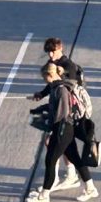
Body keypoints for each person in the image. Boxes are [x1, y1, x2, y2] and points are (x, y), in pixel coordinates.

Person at [25, 62, 97, 202]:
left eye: (44, 78)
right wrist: (38, 110)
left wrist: (53, 130)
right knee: (75, 159)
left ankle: (44, 196)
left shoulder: (61, 89)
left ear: (50, 75)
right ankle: (90, 188)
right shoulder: (59, 87)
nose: (44, 81)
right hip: (66, 129)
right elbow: (54, 106)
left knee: (50, 161)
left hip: (63, 129)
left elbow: (62, 113)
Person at [27, 38, 83, 192]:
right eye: (48, 52)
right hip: (63, 111)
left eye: (53, 51)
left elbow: (66, 88)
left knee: (52, 143)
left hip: (68, 113)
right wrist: (42, 94)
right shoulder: (56, 65)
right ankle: (72, 176)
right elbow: (52, 83)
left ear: (61, 48)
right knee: (65, 146)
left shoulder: (68, 66)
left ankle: (59, 178)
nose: (51, 55)